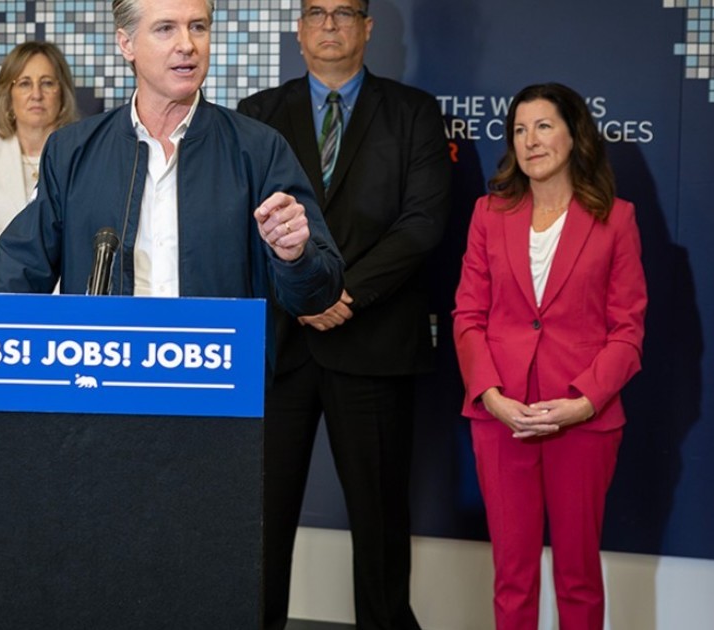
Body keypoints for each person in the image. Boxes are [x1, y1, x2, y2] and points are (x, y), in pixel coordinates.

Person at [236, 1, 450, 627]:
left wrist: (339, 294)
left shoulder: (413, 113)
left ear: (368, 28)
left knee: (380, 527)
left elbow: (421, 223)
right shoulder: (257, 113)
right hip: (280, 349)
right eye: (316, 12)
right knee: (260, 525)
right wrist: (304, 295)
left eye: (345, 12)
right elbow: (240, 223)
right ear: (300, 30)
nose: (330, 25)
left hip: (375, 344)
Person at [0, 0, 343, 325]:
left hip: (216, 371)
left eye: (197, 27)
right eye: (165, 28)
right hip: (105, 369)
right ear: (126, 44)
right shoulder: (71, 151)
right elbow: (17, 273)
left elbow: (318, 294)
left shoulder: (260, 149)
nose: (187, 44)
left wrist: (295, 257)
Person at [453, 83, 646, 630]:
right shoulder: (488, 214)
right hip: (501, 419)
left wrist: (583, 403)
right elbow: (468, 316)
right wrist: (492, 398)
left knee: (578, 576)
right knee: (512, 575)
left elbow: (628, 331)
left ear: (574, 134)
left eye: (543, 126)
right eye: (519, 130)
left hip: (582, 422)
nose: (530, 141)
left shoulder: (616, 219)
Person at [0, 41, 79, 292]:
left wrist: (58, 308)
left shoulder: (81, 160)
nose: (36, 94)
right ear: (8, 96)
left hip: (63, 308)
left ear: (62, 94)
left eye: (47, 83)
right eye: (24, 83)